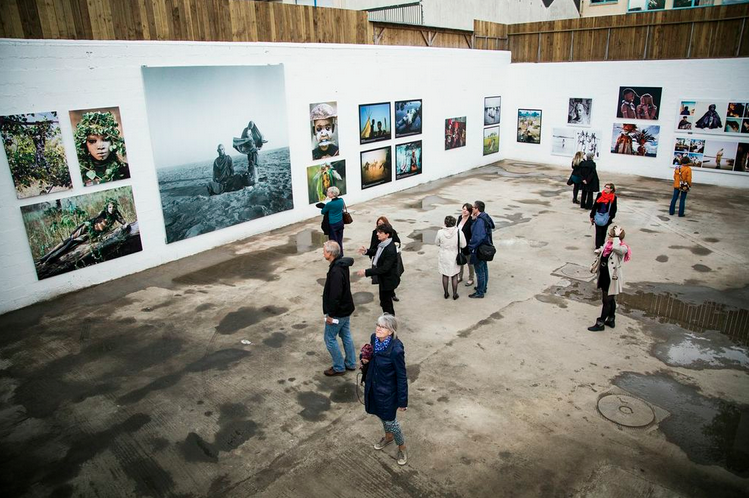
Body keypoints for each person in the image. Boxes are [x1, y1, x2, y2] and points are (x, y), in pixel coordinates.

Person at [361, 314, 408, 466]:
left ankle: (401, 446)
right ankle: (388, 437)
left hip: (388, 392)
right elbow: (371, 357)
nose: (379, 329)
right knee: (380, 415)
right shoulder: (374, 338)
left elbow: (401, 376)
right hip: (374, 386)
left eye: (383, 327)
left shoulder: (396, 350)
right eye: (378, 325)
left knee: (391, 422)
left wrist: (402, 401)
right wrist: (365, 358)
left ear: (391, 331)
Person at [38, 198, 129, 265]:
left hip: (91, 233)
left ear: (116, 207)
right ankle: (46, 257)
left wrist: (125, 225)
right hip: (87, 226)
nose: (111, 209)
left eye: (113, 207)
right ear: (107, 206)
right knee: (69, 240)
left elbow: (123, 222)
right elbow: (96, 221)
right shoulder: (103, 212)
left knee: (71, 243)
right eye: (110, 207)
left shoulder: (115, 215)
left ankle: (50, 259)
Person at [321, 240, 356, 377]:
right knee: (346, 335)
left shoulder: (336, 270)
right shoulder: (342, 264)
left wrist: (331, 315)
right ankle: (351, 363)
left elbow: (335, 295)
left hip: (338, 312)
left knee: (329, 338)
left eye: (324, 250)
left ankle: (339, 366)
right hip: (346, 308)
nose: (323, 253)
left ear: (330, 253)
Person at [588, 225, 631, 332]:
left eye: (610, 236)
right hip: (604, 275)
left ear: (616, 237)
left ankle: (600, 322)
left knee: (607, 300)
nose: (608, 237)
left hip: (612, 278)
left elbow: (616, 249)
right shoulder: (608, 245)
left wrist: (616, 236)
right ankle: (611, 319)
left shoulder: (622, 247)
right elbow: (604, 249)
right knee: (610, 299)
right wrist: (599, 251)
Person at [74, 111, 130, 186]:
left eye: (105, 139)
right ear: (84, 144)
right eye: (92, 141)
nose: (100, 146)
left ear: (113, 142)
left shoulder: (126, 170)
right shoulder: (78, 173)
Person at [357, 223, 400, 315]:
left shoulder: (390, 249)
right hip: (384, 279)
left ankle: (389, 323)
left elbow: (384, 268)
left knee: (386, 303)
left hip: (388, 280)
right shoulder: (383, 245)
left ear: (387, 234)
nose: (377, 234)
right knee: (384, 301)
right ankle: (388, 319)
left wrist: (366, 272)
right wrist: (366, 251)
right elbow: (378, 252)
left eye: (380, 232)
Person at [467, 201, 495, 299]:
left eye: (473, 208)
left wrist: (471, 246)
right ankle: (483, 287)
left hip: (479, 249)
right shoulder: (485, 217)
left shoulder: (480, 221)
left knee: (479, 270)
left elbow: (478, 236)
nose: (472, 209)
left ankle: (480, 292)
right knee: (484, 268)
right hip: (486, 247)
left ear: (477, 209)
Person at [436, 215, 466, 300]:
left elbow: (436, 243)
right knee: (454, 275)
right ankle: (455, 294)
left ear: (445, 223)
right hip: (454, 255)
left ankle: (446, 293)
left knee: (445, 275)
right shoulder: (459, 232)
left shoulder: (440, 232)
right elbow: (464, 245)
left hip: (444, 255)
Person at [233, 120, 266, 185]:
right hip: (249, 151)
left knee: (255, 164)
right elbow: (244, 139)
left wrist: (260, 142)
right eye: (250, 124)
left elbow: (258, 139)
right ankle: (253, 178)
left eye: (252, 125)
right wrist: (248, 140)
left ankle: (256, 178)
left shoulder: (254, 132)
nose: (250, 126)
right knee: (251, 163)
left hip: (254, 151)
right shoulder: (246, 130)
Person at [316, 186, 345, 255]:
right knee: (339, 240)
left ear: (332, 194)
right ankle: (341, 253)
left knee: (333, 241)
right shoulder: (341, 200)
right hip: (340, 222)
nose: (327, 193)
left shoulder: (330, 204)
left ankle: (336, 256)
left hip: (333, 224)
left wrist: (324, 206)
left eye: (328, 192)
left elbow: (323, 212)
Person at [589, 183, 618, 249]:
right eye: (605, 187)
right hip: (598, 215)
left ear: (611, 189)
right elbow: (595, 206)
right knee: (598, 232)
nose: (605, 189)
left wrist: (611, 217)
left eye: (607, 188)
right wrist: (592, 215)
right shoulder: (600, 195)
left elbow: (614, 208)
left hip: (606, 217)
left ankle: (602, 245)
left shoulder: (613, 197)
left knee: (603, 232)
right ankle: (598, 247)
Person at [457, 203, 474, 287]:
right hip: (459, 243)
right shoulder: (460, 217)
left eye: (466, 210)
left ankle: (471, 278)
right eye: (463, 209)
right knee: (460, 261)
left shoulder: (471, 220)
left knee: (469, 262)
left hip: (467, 244)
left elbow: (471, 233)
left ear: (470, 211)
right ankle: (460, 276)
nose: (464, 211)